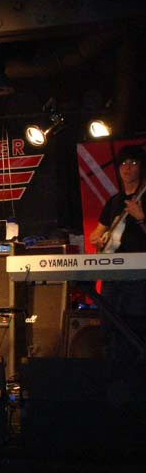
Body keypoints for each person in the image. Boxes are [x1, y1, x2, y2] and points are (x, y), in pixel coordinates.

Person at [89, 144, 146, 360]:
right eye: (123, 163)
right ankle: (111, 369)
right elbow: (97, 233)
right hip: (112, 275)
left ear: (141, 167)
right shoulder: (114, 201)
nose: (127, 168)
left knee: (135, 328)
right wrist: (98, 239)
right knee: (108, 326)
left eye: (133, 163)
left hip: (138, 276)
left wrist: (141, 217)